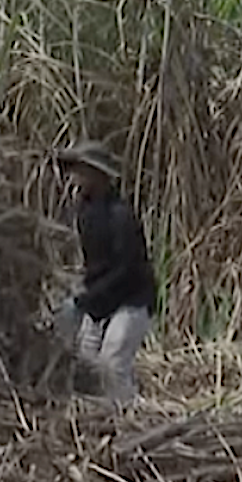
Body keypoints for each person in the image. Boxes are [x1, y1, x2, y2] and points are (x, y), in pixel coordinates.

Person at [56, 140, 157, 403]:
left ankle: (127, 421)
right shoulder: (85, 211)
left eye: (82, 170)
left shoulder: (120, 215)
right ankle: (99, 425)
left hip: (133, 300)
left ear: (98, 174)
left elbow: (127, 270)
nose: (76, 177)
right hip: (102, 300)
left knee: (113, 363)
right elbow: (96, 264)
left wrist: (85, 300)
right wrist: (80, 290)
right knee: (87, 367)